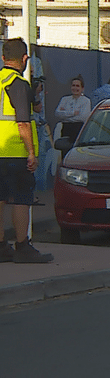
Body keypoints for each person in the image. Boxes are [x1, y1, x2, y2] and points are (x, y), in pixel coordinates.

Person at [0, 38, 54, 263]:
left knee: (0, 198)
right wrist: (32, 153)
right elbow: (23, 122)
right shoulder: (18, 84)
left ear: (3, 58)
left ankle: (1, 246)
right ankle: (23, 246)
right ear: (24, 59)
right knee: (21, 199)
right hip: (15, 152)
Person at [55, 75, 92, 144]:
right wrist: (73, 113)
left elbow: (83, 117)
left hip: (78, 129)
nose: (75, 88)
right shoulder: (64, 99)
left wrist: (65, 115)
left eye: (77, 86)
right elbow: (57, 113)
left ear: (82, 88)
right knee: (64, 150)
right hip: (65, 129)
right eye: (73, 85)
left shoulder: (86, 101)